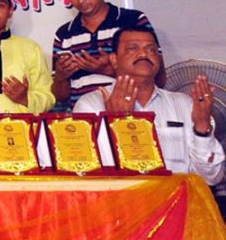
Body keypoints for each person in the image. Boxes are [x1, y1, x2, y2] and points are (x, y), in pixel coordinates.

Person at [73, 26, 224, 185]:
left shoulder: (185, 105)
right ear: (114, 60)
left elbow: (211, 178)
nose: (143, 54)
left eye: (151, 49)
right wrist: (118, 123)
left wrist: (202, 128)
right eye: (133, 48)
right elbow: (84, 177)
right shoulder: (90, 106)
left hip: (177, 204)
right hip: (119, 205)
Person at [52, 0, 161, 109]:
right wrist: (60, 78)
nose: (81, 0)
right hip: (84, 123)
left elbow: (159, 78)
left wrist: (110, 70)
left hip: (133, 117)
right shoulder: (64, 35)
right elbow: (61, 97)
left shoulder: (133, 21)